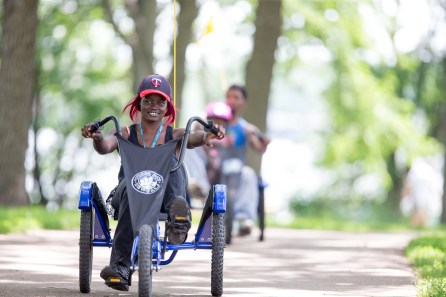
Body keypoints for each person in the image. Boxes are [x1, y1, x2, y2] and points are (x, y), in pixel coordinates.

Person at [81, 74, 225, 291]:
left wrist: (206, 136)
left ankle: (178, 219)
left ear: (167, 106)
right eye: (148, 100)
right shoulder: (126, 132)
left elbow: (195, 136)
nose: (153, 106)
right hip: (129, 194)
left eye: (160, 101)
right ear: (139, 102)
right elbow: (105, 147)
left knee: (174, 165)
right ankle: (121, 268)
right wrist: (98, 138)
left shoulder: (174, 134)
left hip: (164, 197)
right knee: (132, 187)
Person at [219, 84, 270, 236]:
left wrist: (262, 141)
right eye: (228, 96)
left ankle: (244, 219)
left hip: (236, 170)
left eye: (236, 97)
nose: (231, 101)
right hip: (216, 168)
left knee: (249, 174)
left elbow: (259, 148)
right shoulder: (216, 122)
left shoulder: (246, 128)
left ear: (243, 103)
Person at [400, 157, 443, 227]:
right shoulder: (430, 170)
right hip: (425, 197)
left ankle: (415, 230)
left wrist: (405, 195)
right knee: (422, 215)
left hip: (418, 197)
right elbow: (435, 188)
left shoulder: (415, 169)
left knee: (418, 215)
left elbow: (408, 186)